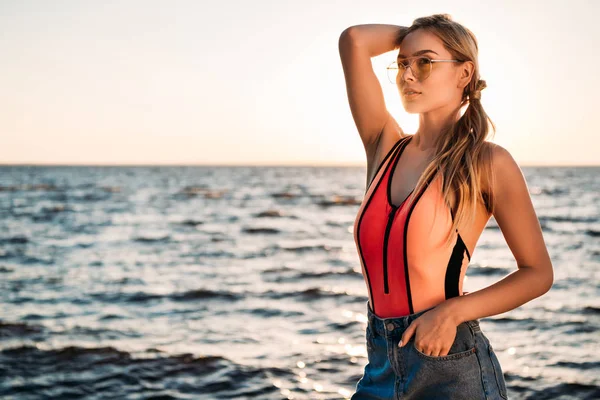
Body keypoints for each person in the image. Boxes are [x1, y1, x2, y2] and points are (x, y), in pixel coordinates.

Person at [338, 14, 554, 399]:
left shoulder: (487, 162)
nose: (408, 75)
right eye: (402, 63)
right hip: (380, 361)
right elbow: (354, 40)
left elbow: (537, 273)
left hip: (450, 364)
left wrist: (454, 312)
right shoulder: (384, 146)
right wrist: (415, 37)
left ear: (463, 73)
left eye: (425, 62)